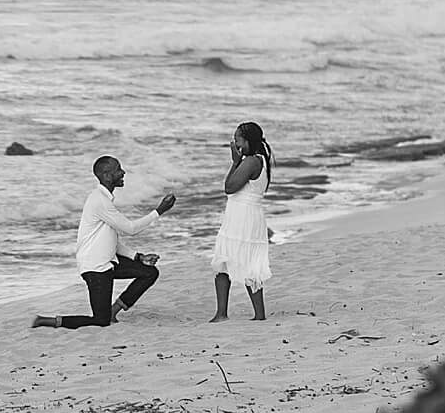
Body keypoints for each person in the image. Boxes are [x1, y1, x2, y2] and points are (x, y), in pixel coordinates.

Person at [32, 157, 177, 331]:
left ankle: (114, 311)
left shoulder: (104, 199)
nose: (123, 172)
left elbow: (111, 240)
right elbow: (130, 229)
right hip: (95, 268)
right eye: (118, 170)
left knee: (149, 272)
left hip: (109, 263)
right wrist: (159, 211)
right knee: (100, 321)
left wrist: (138, 257)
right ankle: (44, 321)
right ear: (107, 176)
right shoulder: (99, 201)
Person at [210, 121, 273, 323]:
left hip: (242, 216)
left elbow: (229, 187)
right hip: (248, 214)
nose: (233, 142)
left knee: (227, 261)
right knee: (243, 263)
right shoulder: (260, 160)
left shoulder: (251, 162)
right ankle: (257, 313)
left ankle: (222, 314)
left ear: (247, 141)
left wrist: (234, 162)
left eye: (237, 138)